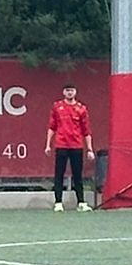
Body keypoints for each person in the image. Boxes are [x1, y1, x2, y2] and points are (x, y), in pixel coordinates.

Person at [45, 83, 96, 212]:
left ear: (75, 92)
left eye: (72, 90)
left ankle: (81, 203)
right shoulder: (57, 107)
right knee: (59, 175)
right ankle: (58, 202)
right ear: (64, 92)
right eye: (67, 91)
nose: (69, 93)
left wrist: (90, 149)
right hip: (61, 145)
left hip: (77, 146)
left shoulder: (81, 109)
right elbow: (52, 127)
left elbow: (86, 131)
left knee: (78, 175)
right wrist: (48, 145)